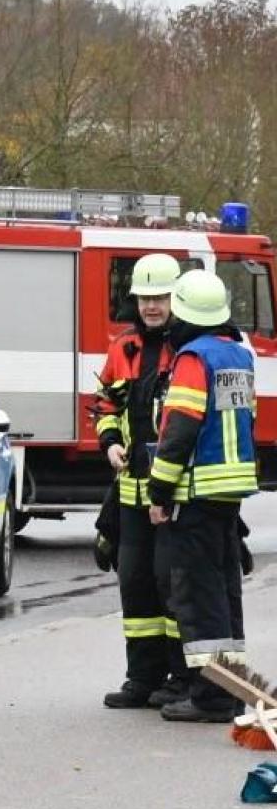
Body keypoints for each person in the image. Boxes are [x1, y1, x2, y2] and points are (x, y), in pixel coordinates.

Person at [149, 268, 256, 724]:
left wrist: (159, 488)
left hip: (196, 490)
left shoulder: (194, 359)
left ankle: (212, 697)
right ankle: (232, 689)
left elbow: (180, 429)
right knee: (224, 591)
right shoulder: (239, 355)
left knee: (198, 595)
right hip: (228, 489)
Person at [91, 253, 184, 709]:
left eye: (160, 297)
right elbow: (104, 404)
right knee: (136, 584)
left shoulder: (187, 349)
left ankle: (178, 676)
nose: (151, 306)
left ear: (176, 299)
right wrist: (109, 442)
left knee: (170, 585)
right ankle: (142, 677)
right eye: (145, 298)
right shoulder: (122, 348)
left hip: (174, 492)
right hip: (132, 491)